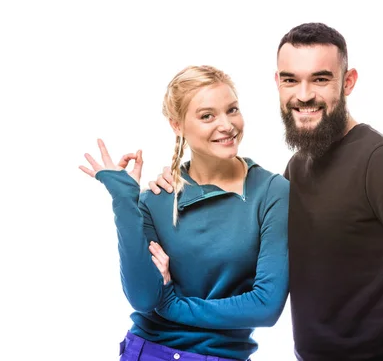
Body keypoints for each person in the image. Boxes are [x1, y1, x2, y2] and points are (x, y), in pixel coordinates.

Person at [150, 23, 383, 361]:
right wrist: (179, 184)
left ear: (348, 82)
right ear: (278, 83)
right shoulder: (296, 169)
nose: (304, 94)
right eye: (291, 79)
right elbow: (247, 257)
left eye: (321, 79)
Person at [79, 65, 290, 361]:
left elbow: (266, 306)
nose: (227, 125)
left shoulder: (272, 192)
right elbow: (142, 297)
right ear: (177, 125)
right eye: (207, 116)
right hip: (147, 352)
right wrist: (125, 200)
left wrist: (172, 304)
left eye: (232, 110)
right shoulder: (157, 198)